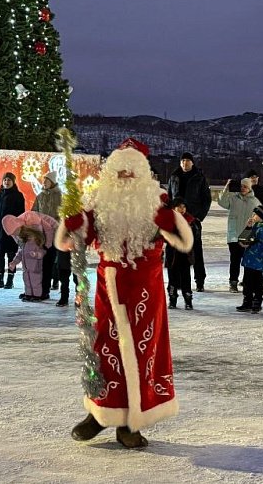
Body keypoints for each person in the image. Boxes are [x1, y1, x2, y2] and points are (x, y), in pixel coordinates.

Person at [61, 138, 192, 449]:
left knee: (143, 353)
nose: (125, 177)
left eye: (131, 172)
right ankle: (101, 413)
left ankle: (132, 422)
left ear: (142, 173)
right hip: (109, 287)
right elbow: (72, 241)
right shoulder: (98, 202)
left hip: (147, 290)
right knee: (105, 349)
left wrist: (171, 222)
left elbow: (183, 241)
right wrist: (73, 226)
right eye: (120, 171)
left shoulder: (156, 201)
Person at [166, 153, 212, 291]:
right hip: (176, 220)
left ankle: (200, 280)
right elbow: (169, 197)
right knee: (176, 252)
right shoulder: (173, 177)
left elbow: (206, 199)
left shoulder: (199, 178)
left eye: (187, 161)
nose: (185, 163)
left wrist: (198, 217)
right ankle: (178, 281)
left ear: (192, 163)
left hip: (193, 220)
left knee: (196, 251)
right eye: (183, 161)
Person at [218, 177, 259, 293]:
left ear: (249, 188)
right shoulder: (233, 198)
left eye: (245, 186)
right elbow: (222, 202)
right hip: (234, 234)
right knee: (235, 260)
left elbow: (260, 216)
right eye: (241, 186)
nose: (243, 189)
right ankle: (233, 282)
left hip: (247, 234)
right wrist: (226, 187)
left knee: (247, 260)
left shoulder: (254, 201)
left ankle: (247, 281)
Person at [5, 211, 57, 302]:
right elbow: (21, 252)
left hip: (51, 236)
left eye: (16, 232)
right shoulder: (23, 238)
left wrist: (47, 246)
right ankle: (30, 294)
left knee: (39, 277)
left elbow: (48, 230)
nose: (15, 235)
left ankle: (41, 294)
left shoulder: (31, 219)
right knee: (28, 280)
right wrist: (14, 262)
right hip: (27, 267)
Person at [0, 172, 25, 289]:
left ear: (13, 182)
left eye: (9, 180)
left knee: (11, 256)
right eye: (5, 179)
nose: (6, 182)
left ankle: (10, 280)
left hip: (11, 232)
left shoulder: (18, 196)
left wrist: (19, 230)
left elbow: (21, 215)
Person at [237, 205, 263, 313]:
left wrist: (250, 244)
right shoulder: (255, 226)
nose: (253, 216)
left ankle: (257, 302)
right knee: (247, 282)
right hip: (249, 260)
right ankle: (247, 301)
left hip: (258, 261)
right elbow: (243, 238)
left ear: (261, 216)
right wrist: (248, 227)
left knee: (257, 283)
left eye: (255, 214)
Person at [32, 171, 62, 300]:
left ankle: (46, 289)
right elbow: (34, 212)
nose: (44, 183)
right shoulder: (40, 196)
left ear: (52, 182)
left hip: (54, 235)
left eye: (46, 180)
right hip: (41, 234)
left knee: (49, 262)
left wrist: (56, 225)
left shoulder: (60, 196)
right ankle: (39, 290)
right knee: (39, 263)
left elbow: (63, 215)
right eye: (43, 180)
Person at [165, 198, 198, 309]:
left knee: (186, 278)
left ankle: (188, 300)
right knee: (172, 278)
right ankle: (172, 299)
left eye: (183, 207)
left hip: (185, 255)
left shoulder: (190, 220)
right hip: (173, 255)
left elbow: (196, 236)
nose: (182, 209)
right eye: (179, 207)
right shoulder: (169, 220)